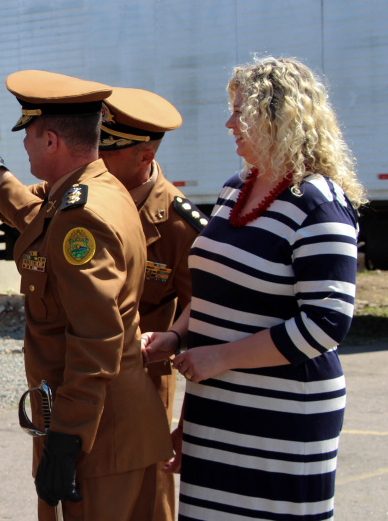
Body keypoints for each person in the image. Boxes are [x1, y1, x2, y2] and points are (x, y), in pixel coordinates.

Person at [143, 57, 364, 519]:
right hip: (217, 405)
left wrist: (219, 357)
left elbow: (325, 324)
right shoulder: (234, 189)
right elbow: (212, 291)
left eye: (240, 111)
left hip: (283, 415)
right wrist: (178, 337)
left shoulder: (320, 204)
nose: (228, 123)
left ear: (277, 117)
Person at [0, 70, 171, 520]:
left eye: (29, 136)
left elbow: (96, 339)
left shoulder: (82, 217)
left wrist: (67, 440)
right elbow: (23, 207)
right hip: (111, 426)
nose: (24, 147)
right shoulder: (99, 189)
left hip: (98, 436)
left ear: (52, 141)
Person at [98, 87, 206, 519]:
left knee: (148, 499)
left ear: (143, 157)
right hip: (86, 381)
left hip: (146, 389)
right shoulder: (89, 199)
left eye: (106, 151)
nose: (95, 160)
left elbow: (205, 311)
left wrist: (188, 423)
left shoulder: (180, 225)